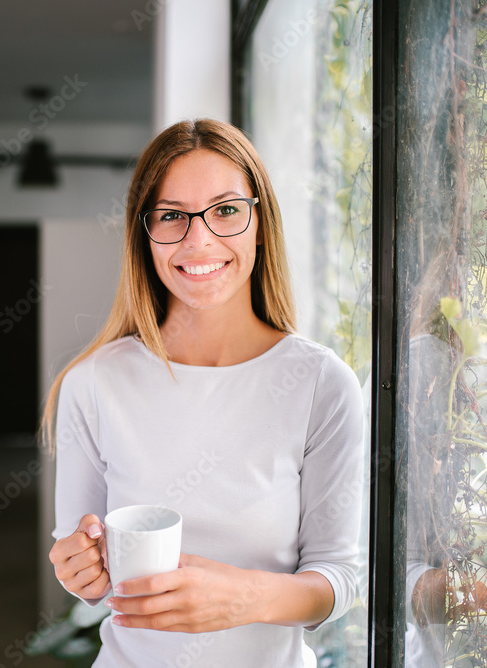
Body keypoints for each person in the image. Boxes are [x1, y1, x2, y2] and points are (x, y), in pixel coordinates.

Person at [42, 119, 365, 667]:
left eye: (226, 210)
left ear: (260, 222)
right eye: (171, 216)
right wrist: (80, 571)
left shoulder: (321, 383)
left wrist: (246, 598)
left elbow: (339, 578)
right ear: (144, 233)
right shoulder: (93, 382)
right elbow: (88, 580)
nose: (200, 240)